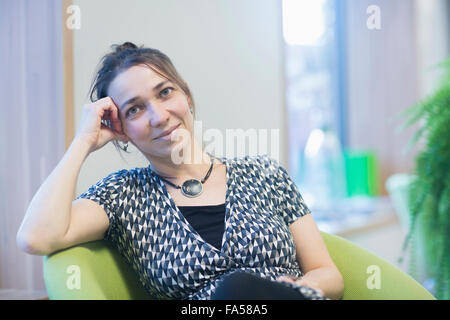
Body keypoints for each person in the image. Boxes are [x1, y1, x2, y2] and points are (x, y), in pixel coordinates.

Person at [16, 42, 344, 300]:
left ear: (186, 95)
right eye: (135, 109)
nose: (158, 116)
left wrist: (295, 289)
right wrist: (83, 140)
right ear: (121, 129)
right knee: (235, 290)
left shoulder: (265, 174)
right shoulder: (122, 196)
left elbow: (329, 274)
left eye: (165, 92)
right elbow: (35, 236)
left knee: (244, 290)